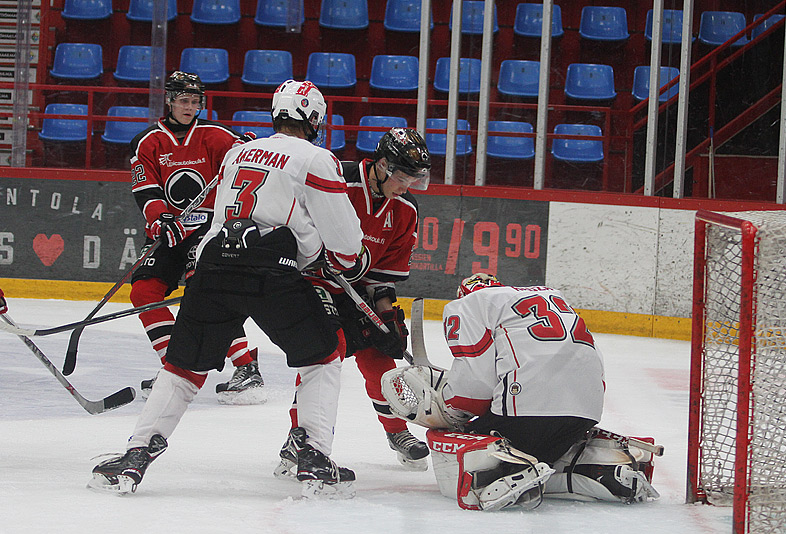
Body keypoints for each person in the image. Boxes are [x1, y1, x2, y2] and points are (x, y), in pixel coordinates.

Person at [89, 80, 365, 497]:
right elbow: (343, 240)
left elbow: (221, 213)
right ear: (313, 118)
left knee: (182, 367)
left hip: (215, 263)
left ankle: (135, 456)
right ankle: (314, 460)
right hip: (273, 269)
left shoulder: (238, 152)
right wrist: (346, 260)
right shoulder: (315, 157)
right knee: (322, 357)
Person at [381, 273, 659, 510]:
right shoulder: (551, 297)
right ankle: (600, 470)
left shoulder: (469, 303)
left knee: (460, 440)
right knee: (546, 449)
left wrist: (450, 409)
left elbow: (473, 391)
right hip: (585, 413)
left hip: (526, 413)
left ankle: (509, 473)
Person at [275, 127, 433, 476]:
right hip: (311, 282)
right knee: (326, 353)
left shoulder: (405, 208)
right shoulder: (337, 181)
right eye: (403, 176)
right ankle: (298, 437)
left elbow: (383, 277)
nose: (407, 185)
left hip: (357, 289)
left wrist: (388, 319)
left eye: (414, 178)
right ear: (383, 164)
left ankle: (398, 433)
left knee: (379, 356)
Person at [128, 70, 266, 405]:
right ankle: (172, 368)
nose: (190, 107)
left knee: (205, 291)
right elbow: (145, 188)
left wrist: (249, 149)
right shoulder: (147, 142)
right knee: (143, 291)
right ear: (170, 101)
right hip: (170, 229)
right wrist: (160, 218)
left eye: (195, 101)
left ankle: (246, 366)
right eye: (183, 101)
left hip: (209, 229)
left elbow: (247, 163)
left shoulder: (216, 136)